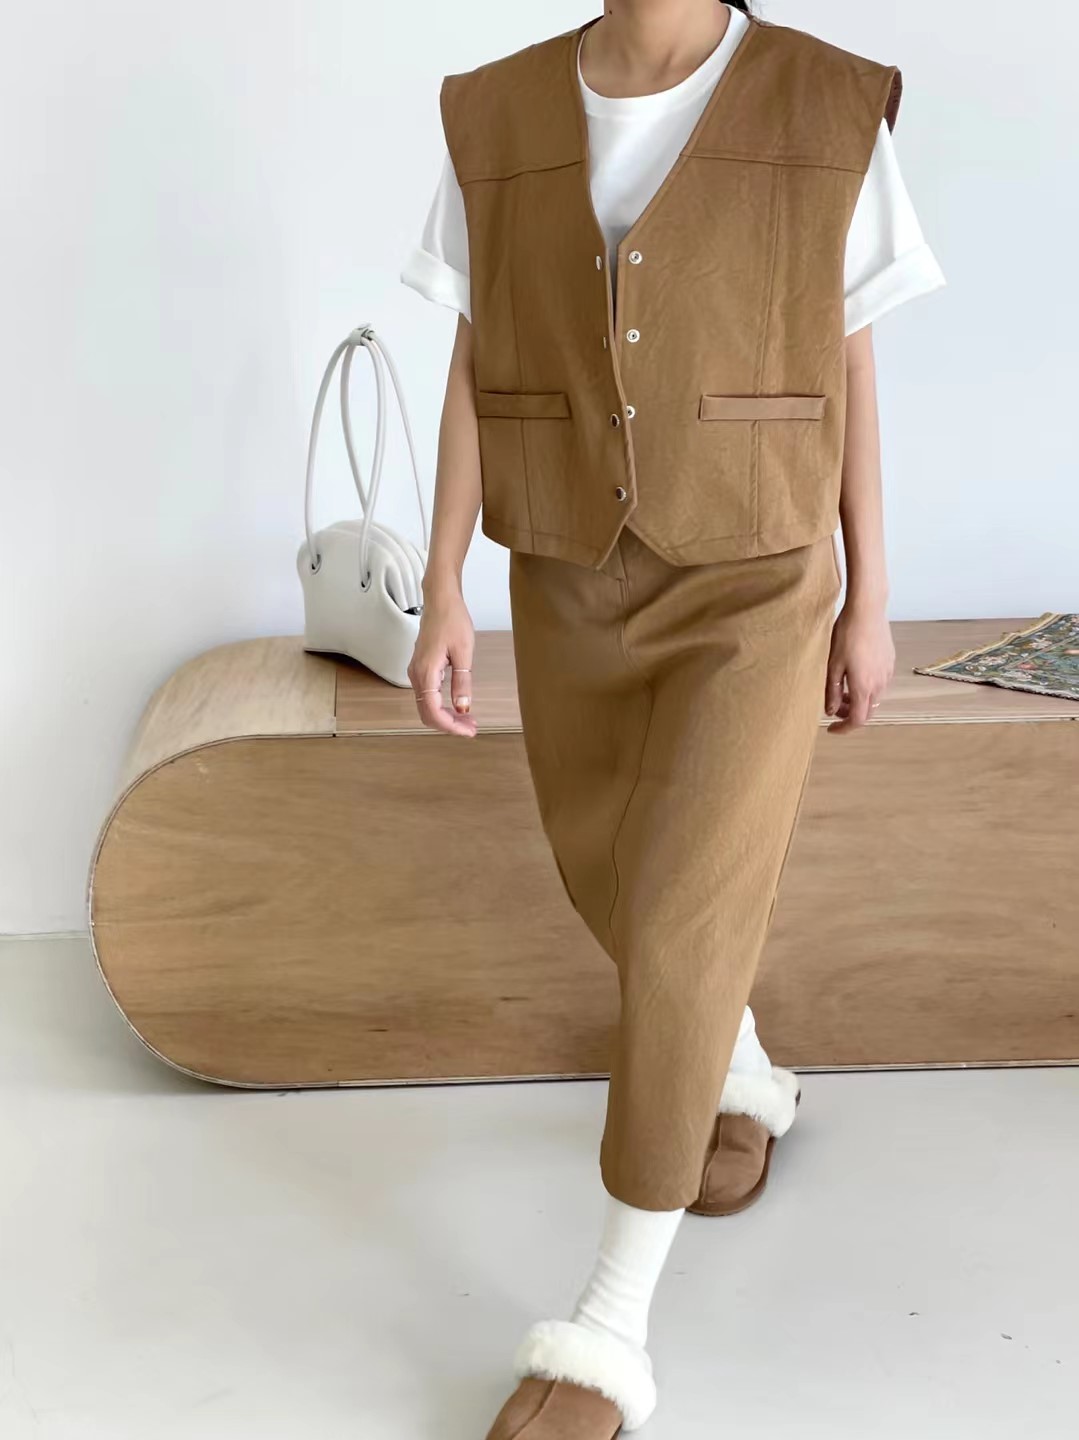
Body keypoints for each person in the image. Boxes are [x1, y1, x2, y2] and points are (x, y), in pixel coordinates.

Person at [400, 2, 945, 1434]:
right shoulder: (495, 110)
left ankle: (607, 1328)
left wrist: (872, 599)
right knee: (617, 881)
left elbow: (851, 359)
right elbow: (472, 355)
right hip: (564, 573)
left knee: (691, 908)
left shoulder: (829, 105)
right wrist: (442, 583)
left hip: (760, 578)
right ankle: (743, 1076)